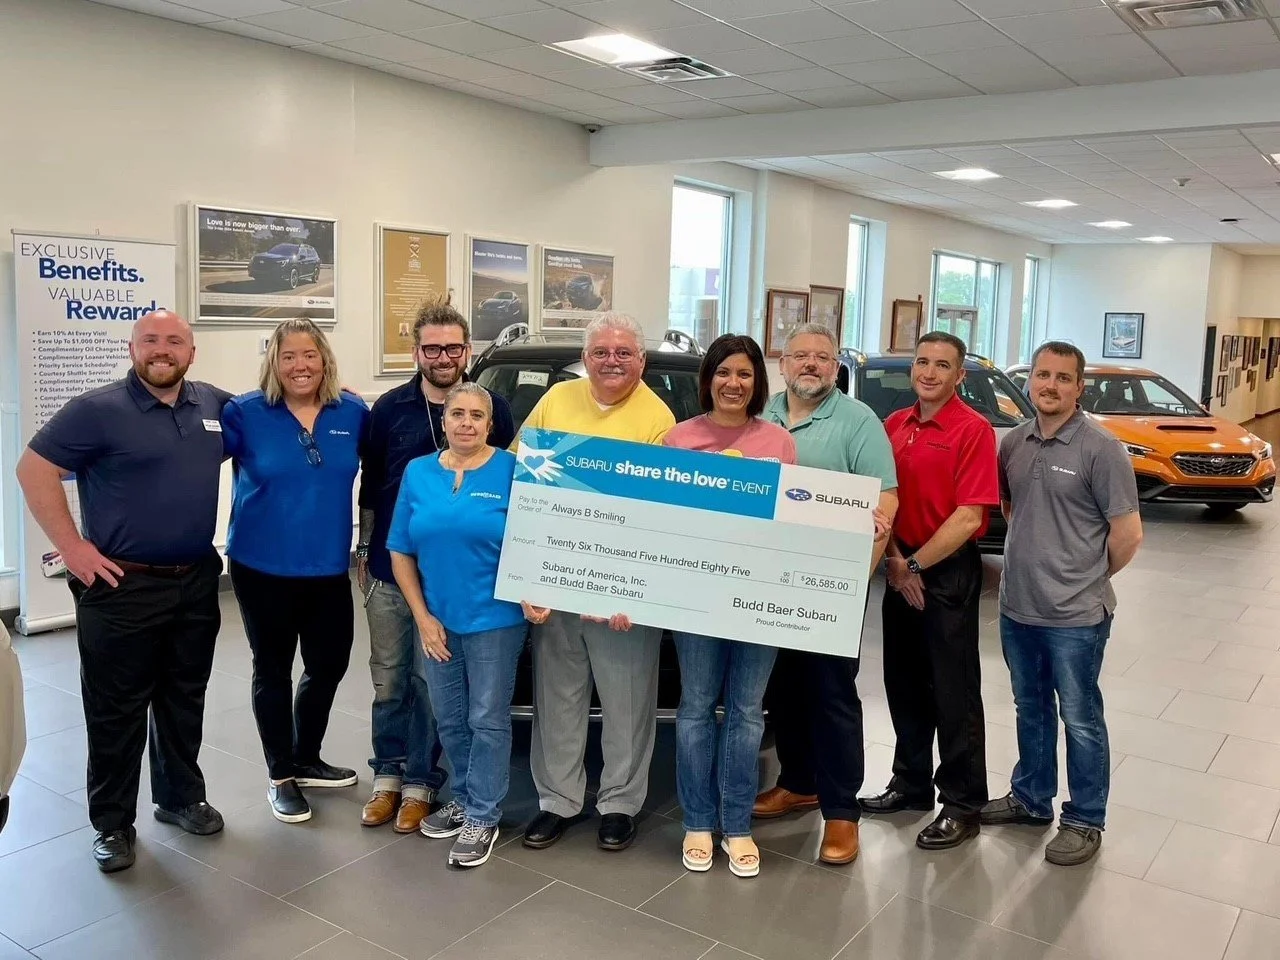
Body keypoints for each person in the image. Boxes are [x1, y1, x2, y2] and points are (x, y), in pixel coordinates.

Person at [15, 310, 229, 873]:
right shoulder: (97, 410)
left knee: (184, 697)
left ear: (192, 351)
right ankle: (112, 823)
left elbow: (276, 408)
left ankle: (180, 797)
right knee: (116, 710)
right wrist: (74, 548)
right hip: (121, 586)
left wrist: (336, 390)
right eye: (151, 341)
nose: (163, 350)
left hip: (196, 579)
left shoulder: (212, 404)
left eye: (175, 341)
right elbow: (33, 470)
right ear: (132, 348)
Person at [356, 294, 515, 833]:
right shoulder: (389, 414)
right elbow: (373, 491)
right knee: (392, 681)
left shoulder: (505, 455)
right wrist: (363, 549)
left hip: (480, 593)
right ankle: (388, 779)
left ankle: (427, 786)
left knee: (457, 704)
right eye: (432, 347)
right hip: (397, 576)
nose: (443, 356)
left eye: (452, 347)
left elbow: (526, 522)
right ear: (416, 350)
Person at [517, 312, 676, 852]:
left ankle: (618, 803)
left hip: (621, 593)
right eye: (602, 352)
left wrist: (633, 588)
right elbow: (524, 489)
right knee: (557, 698)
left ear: (641, 361)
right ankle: (556, 801)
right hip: (557, 581)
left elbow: (660, 517)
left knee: (628, 702)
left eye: (624, 353)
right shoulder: (555, 402)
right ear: (585, 359)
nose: (612, 361)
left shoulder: (659, 419)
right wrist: (529, 578)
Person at [980, 341, 1142, 866]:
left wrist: (1087, 576)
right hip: (1017, 607)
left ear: (1079, 387)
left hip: (1076, 615)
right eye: (1042, 376)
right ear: (1030, 382)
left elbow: (1127, 535)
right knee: (1030, 707)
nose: (1050, 385)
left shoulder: (1101, 448)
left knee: (1080, 717)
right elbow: (1012, 507)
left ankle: (1084, 818)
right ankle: (1031, 798)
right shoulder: (1015, 443)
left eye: (1062, 378)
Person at [752, 323, 899, 866]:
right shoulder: (759, 416)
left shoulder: (858, 422)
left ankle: (841, 813)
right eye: (800, 356)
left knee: (831, 694)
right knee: (784, 688)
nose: (810, 365)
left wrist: (856, 579)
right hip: (764, 579)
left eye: (822, 357)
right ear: (783, 363)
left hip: (830, 583)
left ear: (835, 367)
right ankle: (798, 783)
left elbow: (886, 501)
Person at [387, 382, 546, 867]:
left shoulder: (515, 470)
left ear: (491, 424)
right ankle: (464, 794)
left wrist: (536, 589)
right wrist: (422, 617)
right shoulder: (418, 473)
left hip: (495, 619)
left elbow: (537, 537)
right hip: (437, 620)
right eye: (457, 413)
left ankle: (483, 814)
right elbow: (400, 550)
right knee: (450, 717)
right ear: (443, 419)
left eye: (477, 415)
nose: (467, 423)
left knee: (486, 719)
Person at [221, 317, 370, 824]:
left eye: (309, 355)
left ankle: (307, 756)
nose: (300, 365)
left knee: (329, 664)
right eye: (289, 356)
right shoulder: (245, 413)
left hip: (328, 564)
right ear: (274, 363)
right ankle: (280, 774)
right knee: (274, 668)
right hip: (261, 565)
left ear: (324, 359)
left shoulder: (352, 411)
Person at [661, 334, 797, 878]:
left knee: (745, 713)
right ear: (709, 379)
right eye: (723, 373)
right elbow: (664, 523)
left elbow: (794, 521)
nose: (733, 383)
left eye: (744, 374)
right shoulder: (678, 439)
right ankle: (698, 820)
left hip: (758, 596)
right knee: (695, 708)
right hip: (696, 597)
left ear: (757, 382)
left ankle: (737, 823)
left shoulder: (778, 442)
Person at [864, 331, 999, 851]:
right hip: (900, 563)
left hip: (945, 571)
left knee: (953, 691)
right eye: (922, 362)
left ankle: (964, 803)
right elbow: (883, 499)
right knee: (902, 682)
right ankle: (911, 783)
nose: (929, 372)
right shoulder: (894, 425)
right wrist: (898, 563)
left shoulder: (973, 430)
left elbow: (969, 515)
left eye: (943, 365)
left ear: (959, 375)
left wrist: (915, 564)